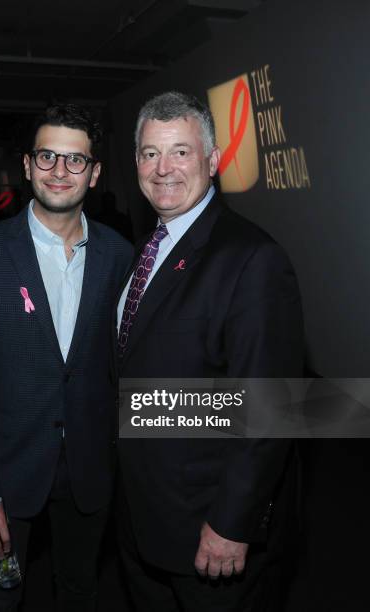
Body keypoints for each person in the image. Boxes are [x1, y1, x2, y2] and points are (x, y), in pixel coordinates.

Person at [116, 91, 304, 611]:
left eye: (180, 151)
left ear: (213, 160)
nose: (163, 168)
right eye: (150, 153)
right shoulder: (147, 250)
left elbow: (269, 408)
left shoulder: (252, 259)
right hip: (142, 514)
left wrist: (232, 522)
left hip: (209, 531)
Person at [0, 104, 132, 611]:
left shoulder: (120, 255)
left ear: (94, 174)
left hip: (89, 470)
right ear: (27, 166)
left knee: (79, 590)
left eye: (75, 161)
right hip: (7, 471)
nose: (58, 171)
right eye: (47, 156)